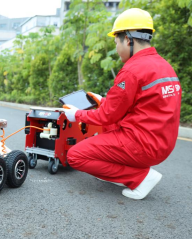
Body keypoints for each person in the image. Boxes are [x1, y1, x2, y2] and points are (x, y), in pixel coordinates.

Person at [62, 8, 182, 200]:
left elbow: (106, 116)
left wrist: (76, 114)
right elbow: (141, 104)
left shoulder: (132, 70)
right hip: (163, 143)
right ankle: (125, 171)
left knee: (76, 156)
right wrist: (103, 100)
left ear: (128, 39)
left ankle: (140, 177)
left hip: (143, 145)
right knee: (109, 126)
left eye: (117, 42)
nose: (117, 48)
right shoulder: (164, 66)